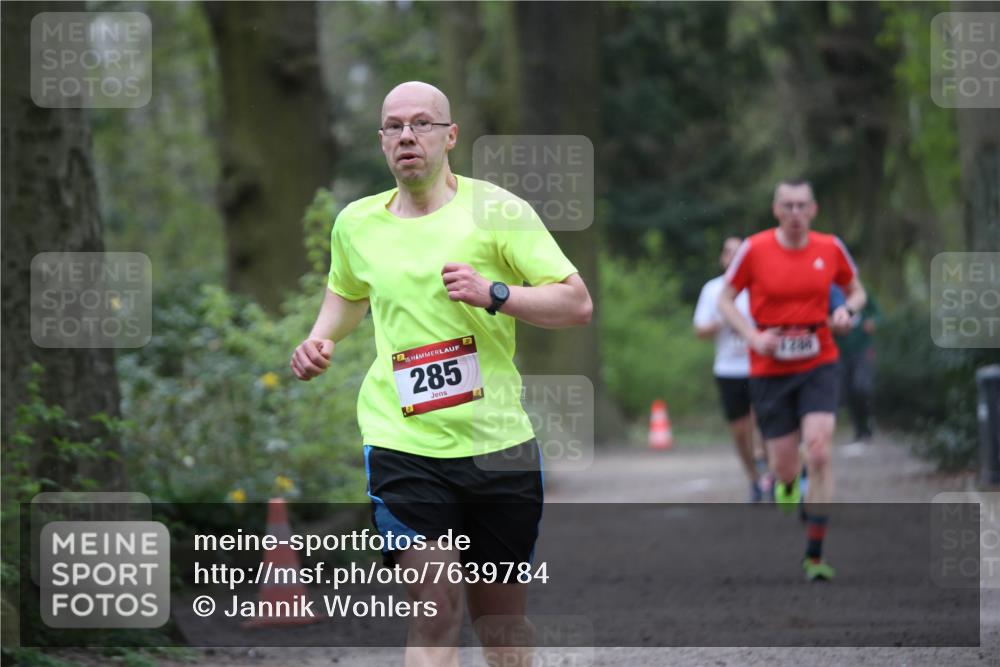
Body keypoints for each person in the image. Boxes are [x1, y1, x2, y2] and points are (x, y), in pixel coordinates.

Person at [290, 81, 592, 667]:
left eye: (422, 123)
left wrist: (495, 293)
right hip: (403, 442)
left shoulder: (498, 212)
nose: (407, 135)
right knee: (435, 607)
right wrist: (318, 340)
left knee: (500, 629)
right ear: (381, 141)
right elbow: (347, 296)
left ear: (450, 136)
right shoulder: (356, 224)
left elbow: (575, 304)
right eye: (394, 125)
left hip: (496, 447)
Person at [718, 179, 866, 582]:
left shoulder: (830, 247)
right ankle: (786, 482)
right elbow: (725, 299)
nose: (796, 213)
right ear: (776, 209)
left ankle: (814, 556)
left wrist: (845, 314)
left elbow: (856, 292)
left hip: (819, 360)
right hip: (769, 367)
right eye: (788, 206)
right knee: (785, 465)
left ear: (814, 209)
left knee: (819, 452)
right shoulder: (754, 248)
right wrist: (752, 336)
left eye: (803, 205)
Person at [694, 236, 771, 502]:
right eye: (729, 253)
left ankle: (769, 471)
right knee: (740, 432)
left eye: (739, 253)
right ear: (722, 258)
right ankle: (754, 478)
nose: (733, 258)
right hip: (728, 369)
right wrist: (722, 322)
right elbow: (700, 330)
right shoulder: (713, 290)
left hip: (760, 366)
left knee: (764, 422)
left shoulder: (759, 286)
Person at [829, 284, 881, 442]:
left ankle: (868, 420)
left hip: (862, 349)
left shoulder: (859, 292)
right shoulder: (829, 292)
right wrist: (833, 327)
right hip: (839, 352)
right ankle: (859, 429)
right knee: (848, 391)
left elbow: (877, 313)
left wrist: (873, 322)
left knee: (862, 387)